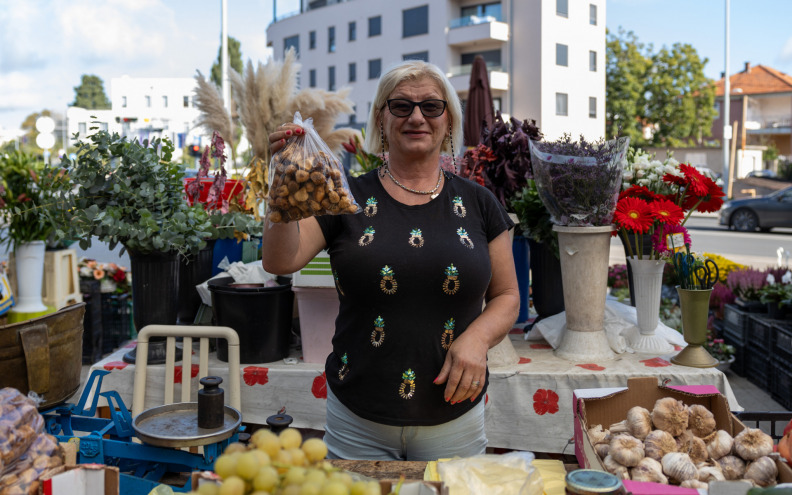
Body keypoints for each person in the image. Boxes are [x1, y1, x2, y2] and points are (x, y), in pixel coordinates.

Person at [262, 60, 519, 461]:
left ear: (449, 121)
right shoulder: (343, 198)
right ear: (381, 120)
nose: (417, 116)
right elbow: (280, 261)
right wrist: (280, 183)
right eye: (401, 106)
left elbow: (506, 295)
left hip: (454, 417)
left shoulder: (479, 203)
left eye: (431, 107)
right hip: (357, 418)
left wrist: (478, 338)